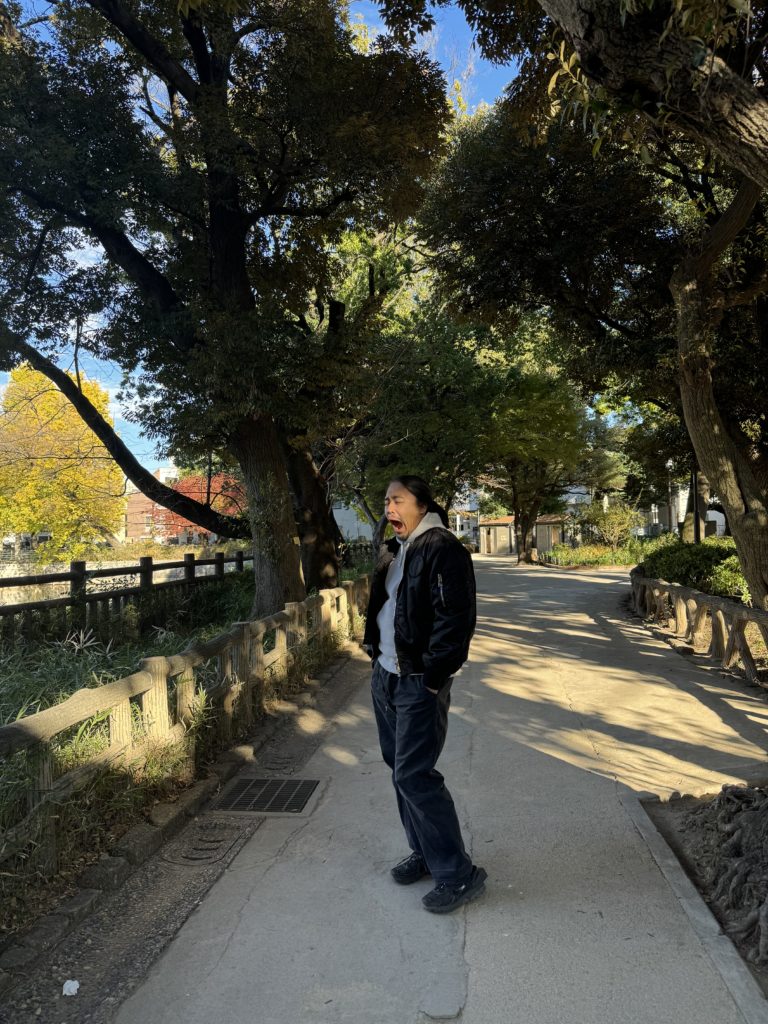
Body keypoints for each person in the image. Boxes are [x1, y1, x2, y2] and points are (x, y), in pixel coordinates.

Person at [363, 475, 486, 914]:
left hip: (418, 680)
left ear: (422, 504)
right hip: (387, 674)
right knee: (399, 770)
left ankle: (458, 873)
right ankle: (427, 852)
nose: (389, 508)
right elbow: (387, 606)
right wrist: (374, 653)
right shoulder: (398, 548)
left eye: (397, 500)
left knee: (414, 775)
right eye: (386, 500)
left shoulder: (443, 548)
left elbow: (456, 618)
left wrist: (433, 676)